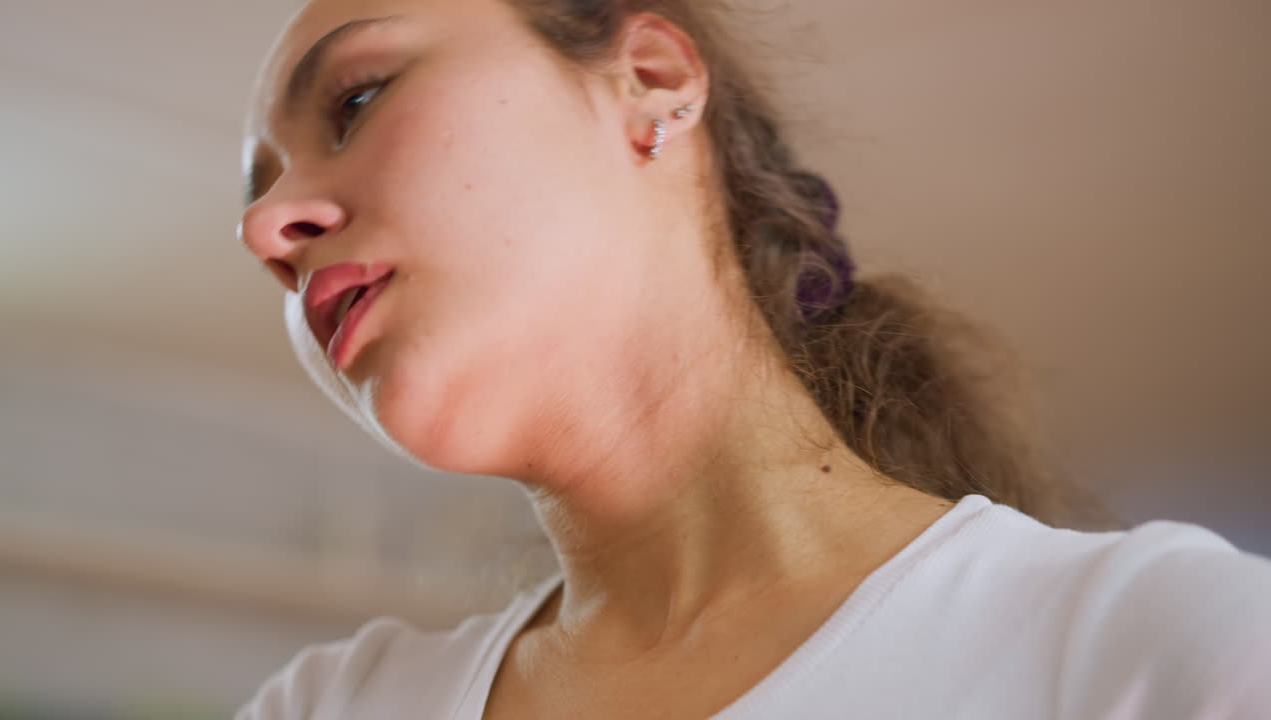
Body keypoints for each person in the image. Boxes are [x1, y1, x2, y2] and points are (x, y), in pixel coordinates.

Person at [233, 0, 1271, 717]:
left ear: (650, 79)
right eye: (257, 192)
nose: (264, 230)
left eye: (356, 101)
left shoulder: (1158, 649)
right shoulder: (332, 707)